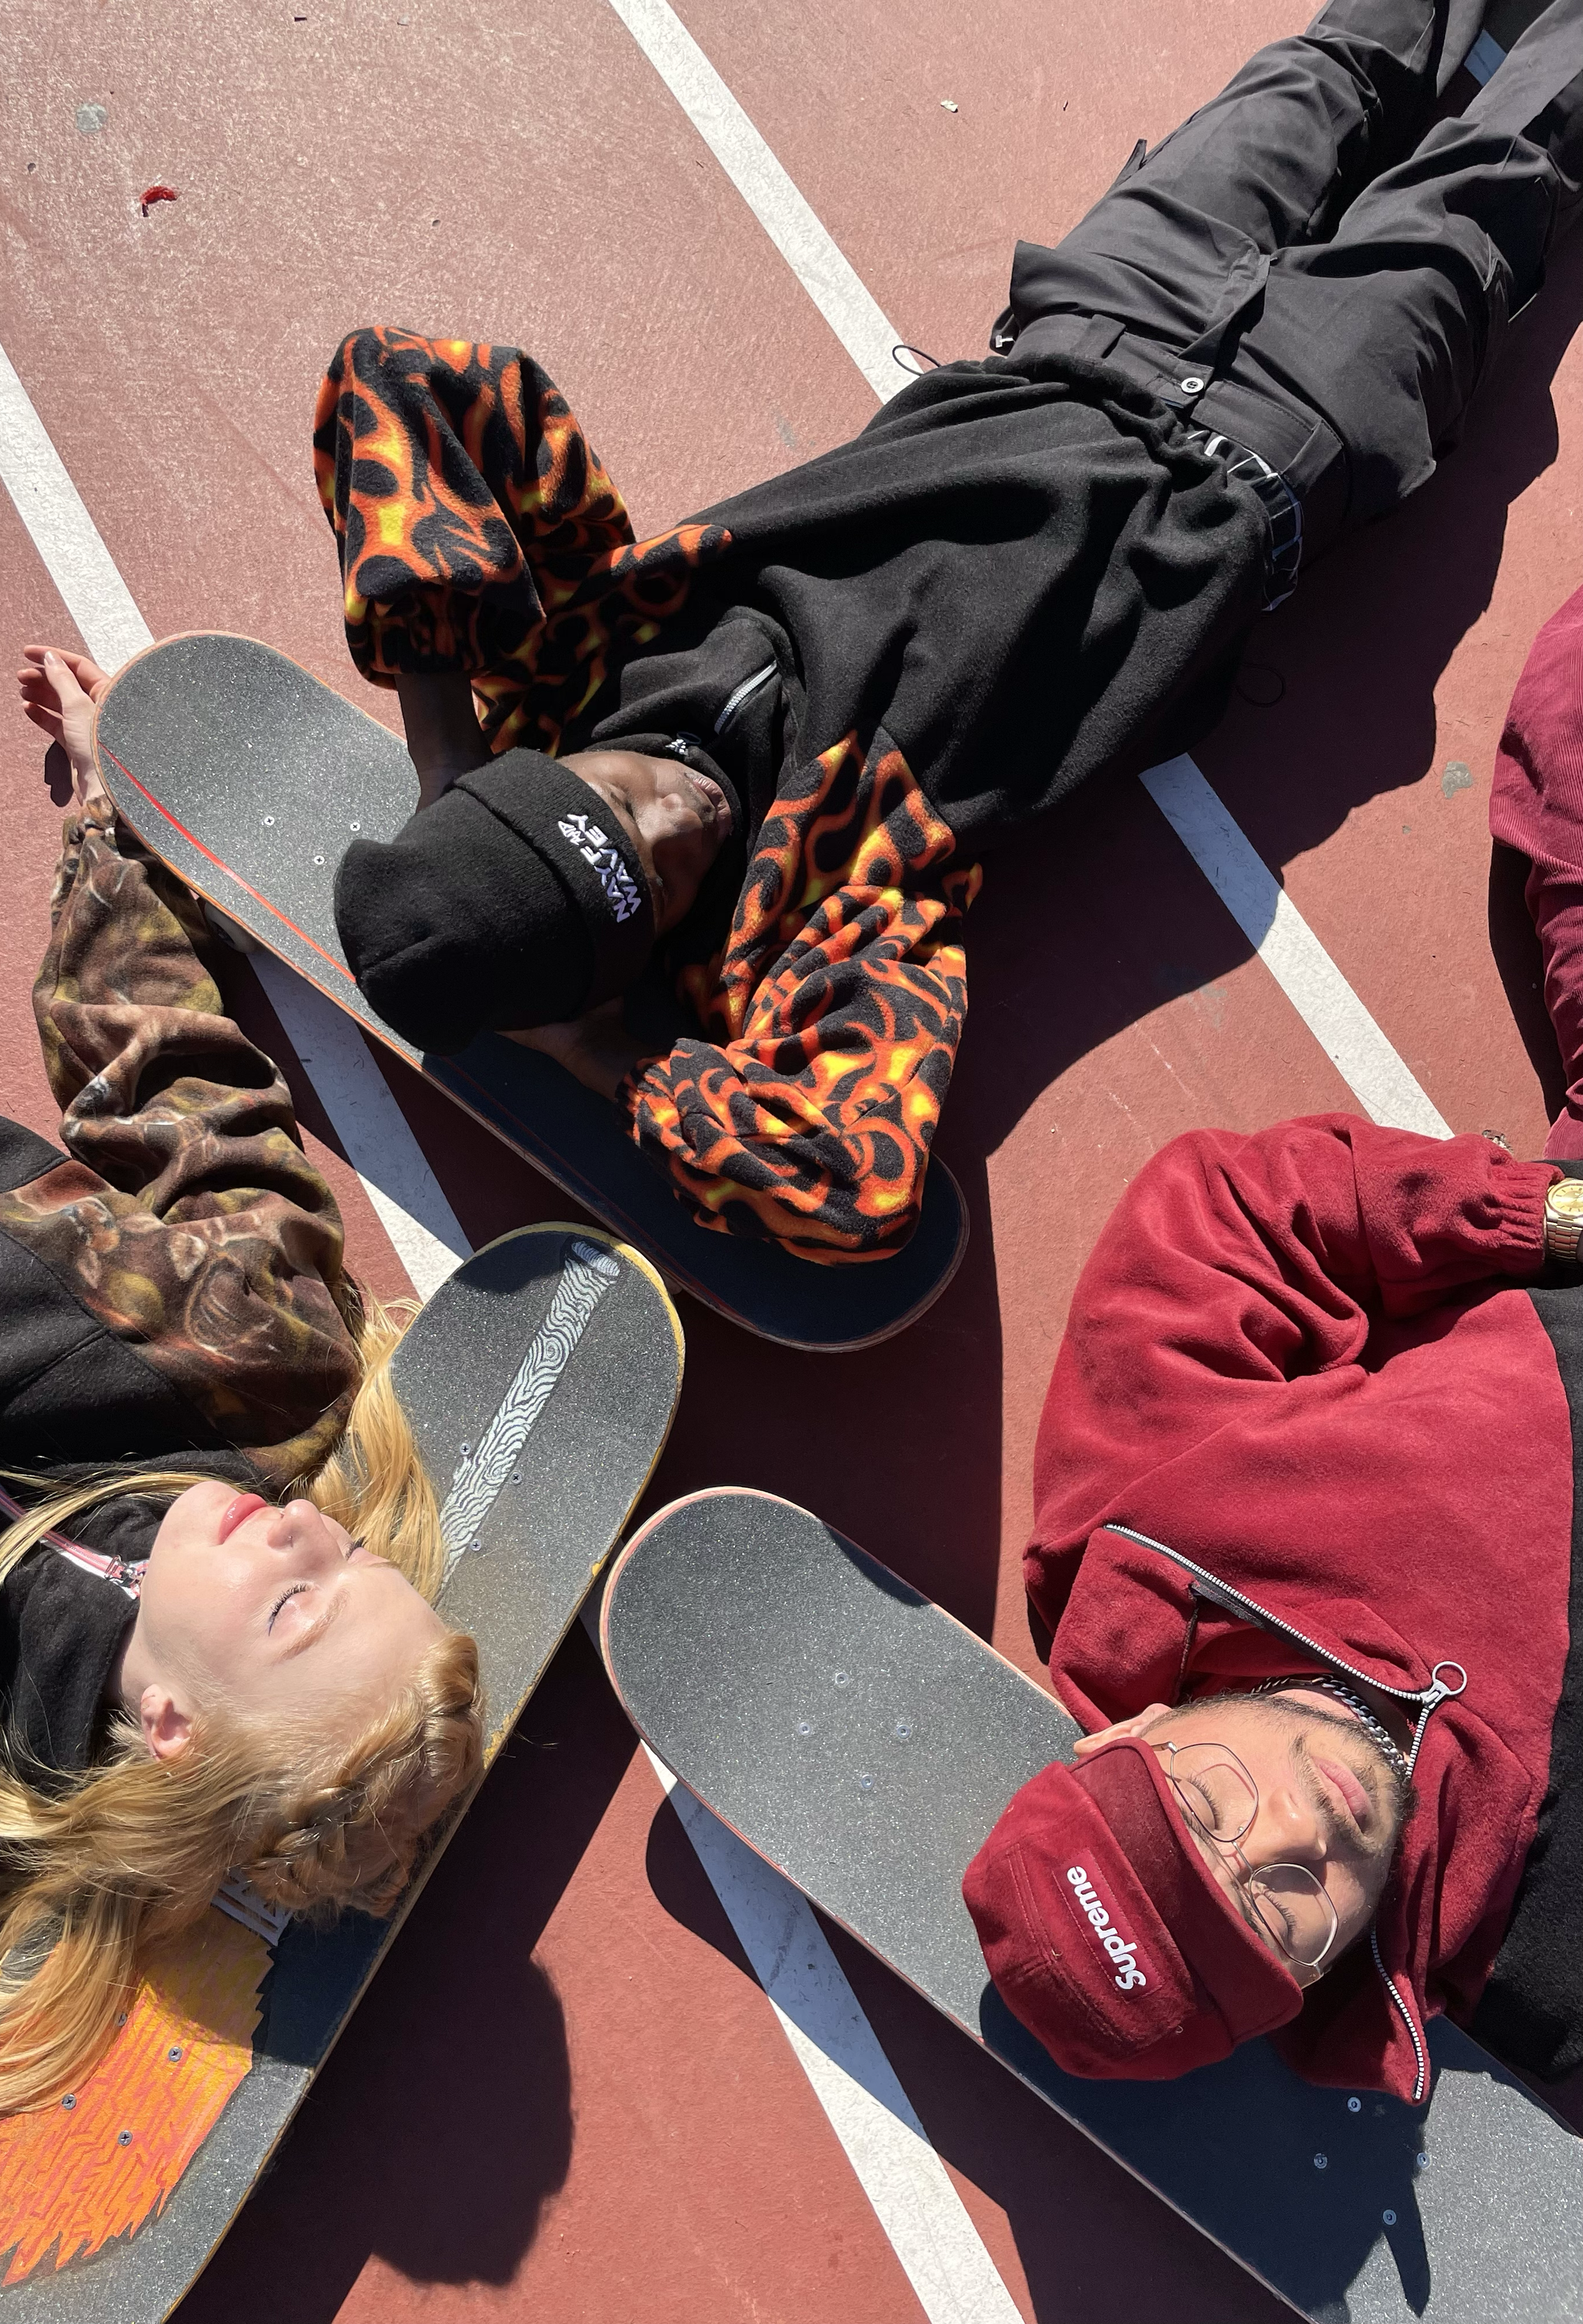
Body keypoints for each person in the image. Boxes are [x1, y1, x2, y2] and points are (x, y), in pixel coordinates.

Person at [315, 0, 1583, 1266]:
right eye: (654, 882)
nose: (676, 822)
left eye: (615, 799)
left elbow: (400, 376)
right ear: (634, 961)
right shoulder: (810, 928)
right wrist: (602, 1050)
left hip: (1099, 318)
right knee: (1499, 170)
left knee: (1338, 64)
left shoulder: (568, 660)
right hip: (1273, 448)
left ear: (533, 763)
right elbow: (851, 1193)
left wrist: (441, 742)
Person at [960, 577, 1583, 2104]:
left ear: (1133, 1732)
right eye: (1278, 1909)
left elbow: (1224, 1218)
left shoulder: (1142, 1542)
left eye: (1206, 1812)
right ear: (1320, 1983)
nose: (1294, 1828)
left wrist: (1541, 1215)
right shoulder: (1542, 1973)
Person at [0, 648, 483, 2121]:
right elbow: (173, 1091)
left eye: (295, 1601)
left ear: (175, 1728)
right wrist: (107, 832)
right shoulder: (250, 1372)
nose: (307, 1529)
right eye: (353, 1553)